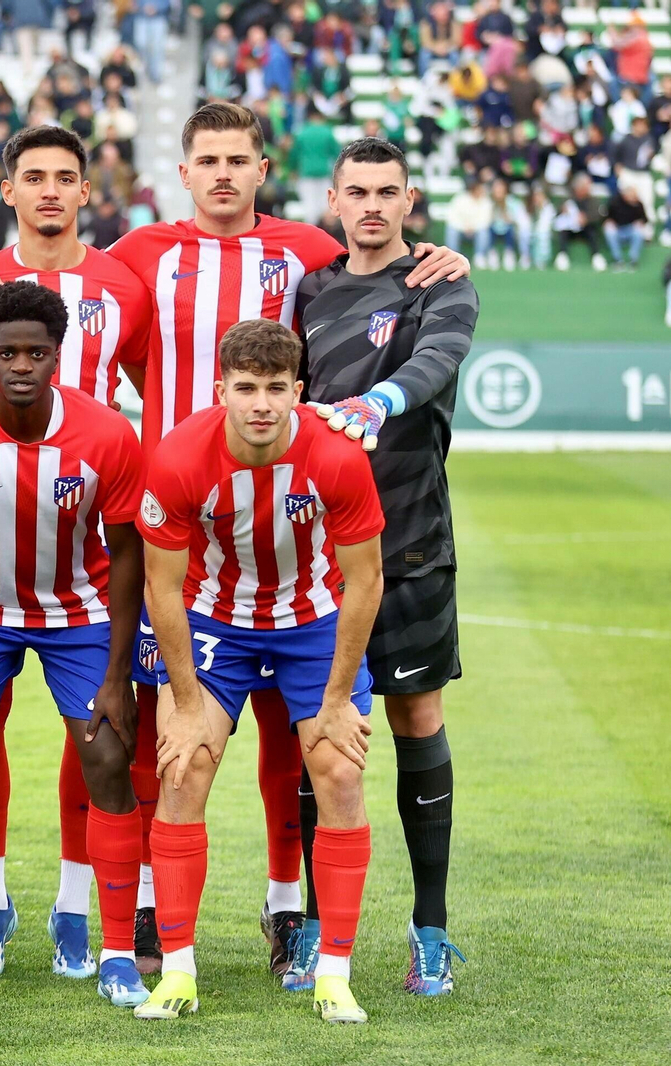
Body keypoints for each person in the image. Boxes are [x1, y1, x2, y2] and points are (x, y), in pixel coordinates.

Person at [0, 101, 467, 981]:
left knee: (283, 727)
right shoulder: (143, 254)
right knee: (152, 721)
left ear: (264, 170)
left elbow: (386, 262)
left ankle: (285, 908)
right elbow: (72, 294)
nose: (224, 174)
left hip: (284, 522)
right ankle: (142, 905)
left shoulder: (307, 250)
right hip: (171, 518)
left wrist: (439, 256)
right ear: (182, 172)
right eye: (207, 160)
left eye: (239, 160)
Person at [0, 124, 154, 977]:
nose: (51, 190)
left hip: (81, 585)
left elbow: (152, 380)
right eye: (34, 177)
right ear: (8, 190)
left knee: (97, 746)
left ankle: (82, 916)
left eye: (67, 177)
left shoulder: (124, 287)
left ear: (87, 191)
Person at [136, 316, 384, 1025]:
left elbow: (366, 582)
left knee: (338, 771)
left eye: (277, 388)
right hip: (215, 620)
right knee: (183, 768)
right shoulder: (181, 456)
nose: (262, 404)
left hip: (312, 621)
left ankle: (333, 973)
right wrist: (183, 701)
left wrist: (338, 699)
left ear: (299, 391)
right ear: (223, 389)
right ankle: (177, 973)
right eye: (246, 388)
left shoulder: (337, 458)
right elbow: (162, 586)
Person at [297, 136, 479, 999]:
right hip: (315, 550)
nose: (372, 205)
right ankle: (308, 930)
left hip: (408, 542)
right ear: (334, 200)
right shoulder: (311, 290)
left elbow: (438, 362)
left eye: (388, 192)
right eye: (357, 191)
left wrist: (378, 400)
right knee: (312, 727)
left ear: (410, 202)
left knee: (415, 718)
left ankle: (431, 931)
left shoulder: (440, 282)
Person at [553, 175, 607, 271]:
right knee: (562, 232)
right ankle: (562, 255)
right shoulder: (568, 198)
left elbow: (598, 215)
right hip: (570, 229)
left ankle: (596, 256)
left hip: (585, 228)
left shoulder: (593, 200)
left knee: (592, 232)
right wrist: (562, 210)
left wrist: (586, 219)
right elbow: (557, 213)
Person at [443, 179, 493, 267]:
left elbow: (486, 220)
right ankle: (452, 257)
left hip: (476, 230)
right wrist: (463, 227)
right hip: (460, 228)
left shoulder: (486, 201)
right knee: (451, 230)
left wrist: (473, 227)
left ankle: (479, 256)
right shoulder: (460, 198)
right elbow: (452, 216)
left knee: (484, 232)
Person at [604, 184, 649, 270]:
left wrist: (640, 222)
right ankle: (617, 259)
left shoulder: (638, 204)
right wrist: (609, 221)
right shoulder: (615, 202)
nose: (633, 199)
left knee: (638, 231)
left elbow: (645, 219)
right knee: (609, 230)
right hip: (617, 229)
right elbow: (605, 216)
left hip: (630, 229)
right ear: (625, 196)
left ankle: (633, 259)